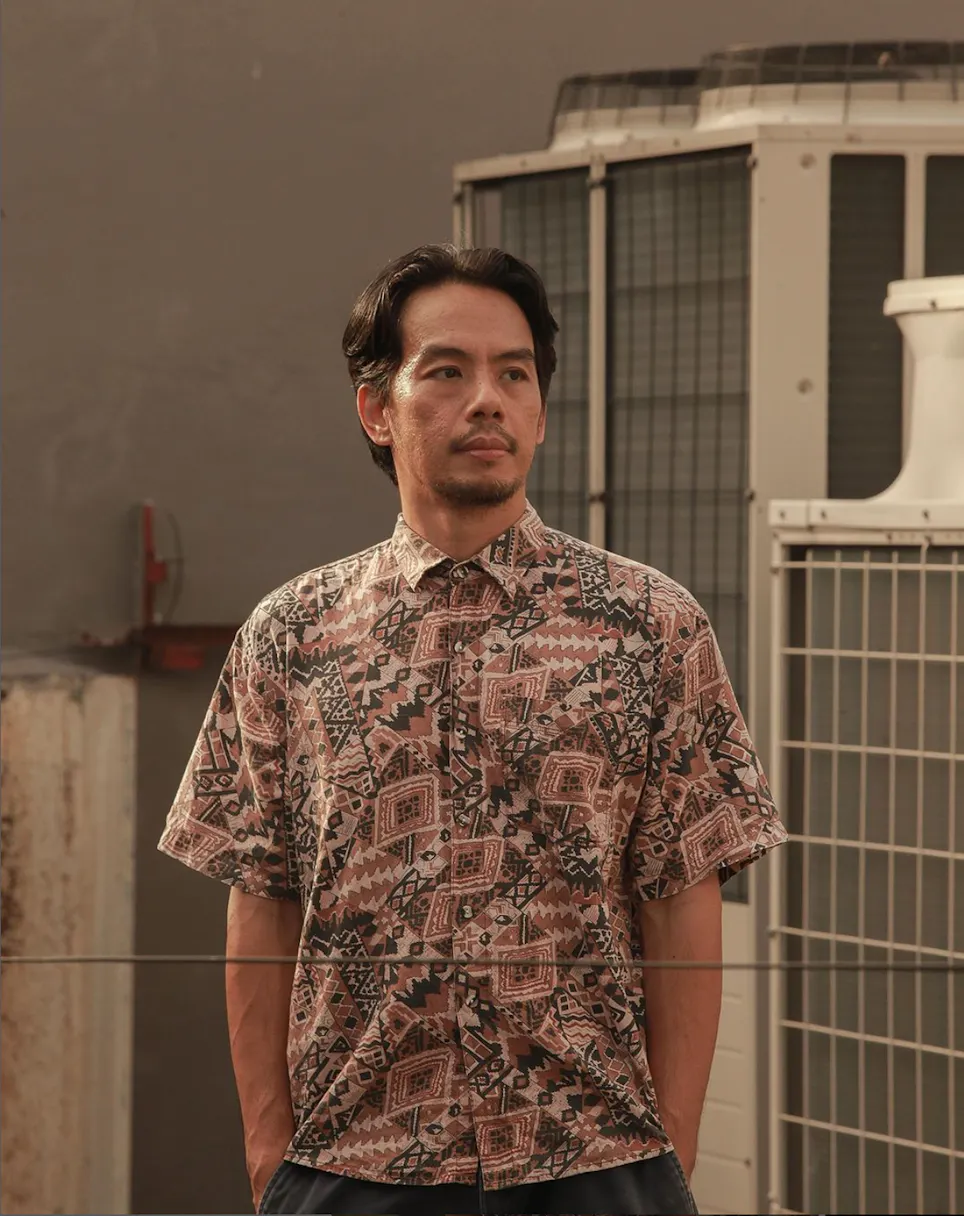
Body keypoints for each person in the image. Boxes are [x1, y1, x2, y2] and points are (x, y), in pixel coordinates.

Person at [159, 244, 787, 1215]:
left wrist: (669, 1153)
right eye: (446, 371)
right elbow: (262, 901)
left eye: (513, 373)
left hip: (594, 1162)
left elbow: (681, 902)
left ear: (538, 408)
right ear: (378, 406)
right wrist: (269, 1155)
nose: (485, 400)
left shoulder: (650, 625)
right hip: (353, 1164)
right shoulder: (291, 636)